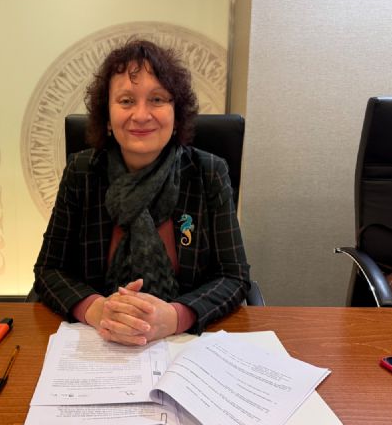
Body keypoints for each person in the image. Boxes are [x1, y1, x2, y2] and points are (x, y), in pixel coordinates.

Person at [33, 39, 250, 346]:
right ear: (107, 118)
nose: (141, 114)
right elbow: (49, 269)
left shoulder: (208, 172)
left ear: (177, 114)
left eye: (157, 99)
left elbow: (234, 276)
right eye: (126, 101)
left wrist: (175, 317)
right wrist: (98, 310)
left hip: (185, 345)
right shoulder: (82, 172)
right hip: (98, 342)